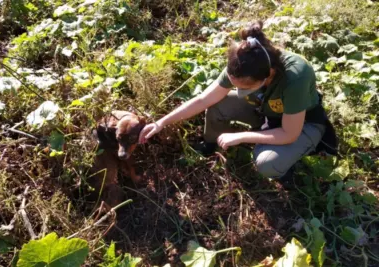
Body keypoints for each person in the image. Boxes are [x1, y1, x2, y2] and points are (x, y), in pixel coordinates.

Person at [138, 21, 337, 180]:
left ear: (267, 76)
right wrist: (161, 122)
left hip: (302, 123)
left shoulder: (295, 76)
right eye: (235, 85)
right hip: (266, 110)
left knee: (267, 164)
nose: (238, 89)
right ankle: (210, 145)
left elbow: (289, 133)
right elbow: (203, 99)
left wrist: (242, 136)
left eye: (244, 87)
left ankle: (286, 172)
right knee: (217, 104)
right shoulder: (242, 64)